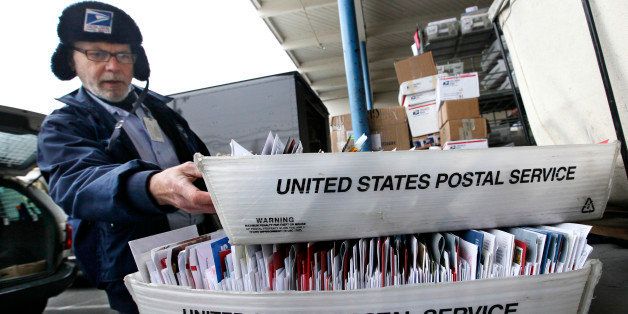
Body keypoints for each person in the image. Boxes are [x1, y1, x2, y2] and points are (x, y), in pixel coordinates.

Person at [37, 2, 219, 313]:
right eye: (97, 54)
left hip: (202, 255)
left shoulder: (163, 113)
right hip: (135, 268)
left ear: (137, 62)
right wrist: (152, 186)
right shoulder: (63, 125)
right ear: (71, 59)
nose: (113, 66)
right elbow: (77, 183)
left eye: (123, 55)